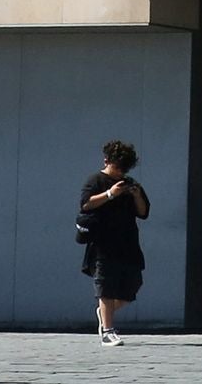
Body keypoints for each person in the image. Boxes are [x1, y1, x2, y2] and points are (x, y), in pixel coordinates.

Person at [78, 139, 149, 346]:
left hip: (128, 243)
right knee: (106, 287)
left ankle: (104, 312)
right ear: (107, 161)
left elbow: (143, 212)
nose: (120, 172)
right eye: (117, 167)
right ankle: (108, 330)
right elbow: (85, 204)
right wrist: (110, 194)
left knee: (132, 287)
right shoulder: (95, 181)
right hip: (103, 244)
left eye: (124, 169)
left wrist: (136, 196)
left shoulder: (131, 184)